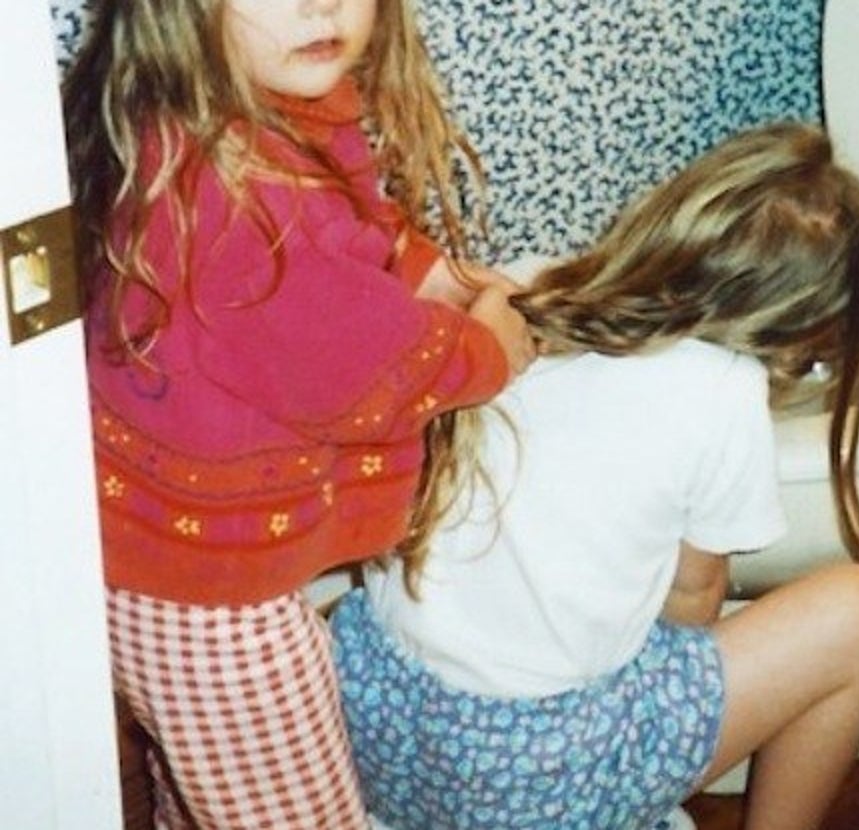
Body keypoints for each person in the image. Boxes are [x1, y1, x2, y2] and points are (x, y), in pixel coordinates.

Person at [331, 121, 859, 830]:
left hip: (373, 716)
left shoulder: (533, 282)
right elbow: (692, 603)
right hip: (521, 778)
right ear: (793, 337)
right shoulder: (723, 390)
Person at [62, 0, 535, 826]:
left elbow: (347, 232)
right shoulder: (223, 193)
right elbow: (351, 359)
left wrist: (436, 277)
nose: (321, 6)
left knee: (215, 799)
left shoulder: (233, 114)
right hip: (210, 610)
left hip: (163, 564)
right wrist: (487, 351)